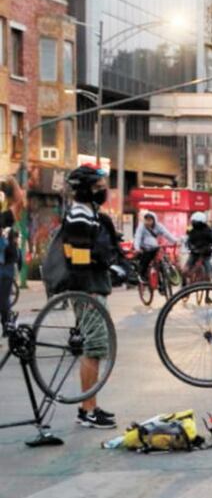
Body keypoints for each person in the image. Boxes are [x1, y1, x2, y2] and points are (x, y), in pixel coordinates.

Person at [60, 165, 118, 429]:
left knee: (95, 348)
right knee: (93, 348)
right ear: (85, 189)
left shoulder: (89, 213)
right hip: (88, 290)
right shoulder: (79, 216)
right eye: (97, 186)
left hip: (94, 287)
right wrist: (89, 292)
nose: (101, 191)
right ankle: (87, 409)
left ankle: (90, 405)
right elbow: (78, 257)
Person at [0, 176, 25, 333]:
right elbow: (20, 200)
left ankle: (7, 322)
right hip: (7, 262)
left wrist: (9, 181)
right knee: (3, 298)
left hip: (6, 261)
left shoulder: (7, 214)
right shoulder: (8, 213)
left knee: (3, 298)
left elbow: (19, 200)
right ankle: (7, 321)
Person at [133, 212, 178, 292]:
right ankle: (142, 275)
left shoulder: (158, 226)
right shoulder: (141, 227)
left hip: (156, 247)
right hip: (145, 248)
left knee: (161, 264)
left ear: (154, 220)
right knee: (145, 261)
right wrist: (137, 247)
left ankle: (162, 285)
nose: (148, 222)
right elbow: (137, 237)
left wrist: (175, 241)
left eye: (150, 220)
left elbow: (166, 234)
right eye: (146, 220)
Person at [185, 211, 212, 281]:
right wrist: (190, 247)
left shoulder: (207, 231)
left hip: (204, 253)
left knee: (207, 267)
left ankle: (209, 277)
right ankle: (185, 282)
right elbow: (188, 241)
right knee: (186, 268)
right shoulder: (192, 231)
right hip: (195, 252)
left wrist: (211, 247)